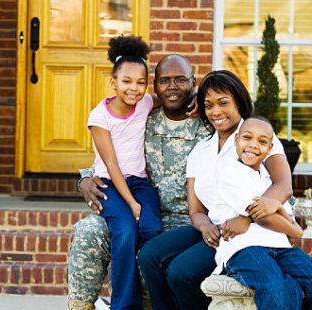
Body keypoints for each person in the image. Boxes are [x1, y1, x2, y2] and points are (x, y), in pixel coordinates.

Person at [137, 71, 295, 310]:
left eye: (223, 103)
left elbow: (283, 185)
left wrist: (246, 216)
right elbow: (196, 209)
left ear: (239, 102)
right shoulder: (202, 149)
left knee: (180, 272)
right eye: (208, 105)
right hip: (215, 227)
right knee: (149, 255)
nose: (216, 112)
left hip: (250, 231)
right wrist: (203, 226)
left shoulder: (256, 137)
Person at [185, 72, 312, 310]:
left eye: (261, 143)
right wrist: (294, 227)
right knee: (276, 291)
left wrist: (281, 216)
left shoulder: (263, 175)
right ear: (237, 141)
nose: (253, 145)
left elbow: (281, 195)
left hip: (279, 245)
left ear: (269, 147)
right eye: (247, 139)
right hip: (245, 247)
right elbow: (271, 217)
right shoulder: (228, 172)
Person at [67, 54, 209, 310]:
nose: (172, 87)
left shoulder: (208, 122)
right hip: (138, 205)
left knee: (147, 244)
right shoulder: (144, 115)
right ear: (154, 87)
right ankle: (82, 306)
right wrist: (85, 179)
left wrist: (203, 97)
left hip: (189, 218)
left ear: (193, 82)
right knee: (89, 231)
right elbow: (112, 157)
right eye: (165, 81)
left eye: (180, 80)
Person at [87, 35, 164, 310]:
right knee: (125, 231)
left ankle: (145, 295)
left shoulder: (144, 104)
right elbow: (111, 165)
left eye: (141, 83)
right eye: (126, 81)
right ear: (114, 82)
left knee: (152, 227)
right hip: (110, 183)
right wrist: (131, 203)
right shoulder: (99, 117)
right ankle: (122, 305)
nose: (134, 89)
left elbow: (168, 98)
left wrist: (192, 102)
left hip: (140, 183)